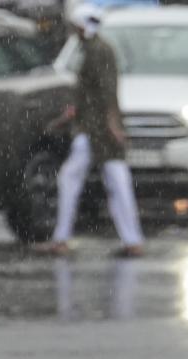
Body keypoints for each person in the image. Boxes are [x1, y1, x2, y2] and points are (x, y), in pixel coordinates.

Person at [34, 4, 145, 259]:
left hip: (97, 130)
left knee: (82, 180)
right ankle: (131, 240)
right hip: (96, 129)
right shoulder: (96, 49)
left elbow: (106, 92)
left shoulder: (97, 51)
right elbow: (96, 92)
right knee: (115, 183)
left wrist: (112, 125)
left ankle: (64, 238)